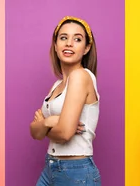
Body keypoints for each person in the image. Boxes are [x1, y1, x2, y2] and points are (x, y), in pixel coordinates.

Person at [29, 16, 101, 186]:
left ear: (86, 48)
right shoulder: (57, 85)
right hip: (51, 167)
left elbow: (65, 133)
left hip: (76, 171)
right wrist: (50, 122)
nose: (69, 43)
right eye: (63, 38)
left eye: (77, 39)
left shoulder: (80, 76)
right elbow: (34, 132)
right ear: (55, 45)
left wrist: (45, 125)